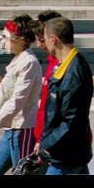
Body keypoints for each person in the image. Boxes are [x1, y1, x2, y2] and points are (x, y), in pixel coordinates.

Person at [0, 14, 42, 174]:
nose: (3, 41)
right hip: (10, 130)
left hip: (22, 130)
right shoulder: (19, 60)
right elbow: (14, 96)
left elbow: (17, 102)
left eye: (6, 37)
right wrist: (0, 88)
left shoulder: (29, 62)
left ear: (21, 39)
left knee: (23, 171)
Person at [34, 17, 93, 175]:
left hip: (65, 157)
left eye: (44, 39)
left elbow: (70, 120)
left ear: (53, 39)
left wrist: (47, 143)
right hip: (69, 153)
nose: (43, 44)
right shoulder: (66, 65)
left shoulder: (73, 71)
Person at [32, 9, 63, 148]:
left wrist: (42, 140)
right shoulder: (52, 63)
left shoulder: (65, 66)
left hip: (56, 140)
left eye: (42, 40)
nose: (39, 45)